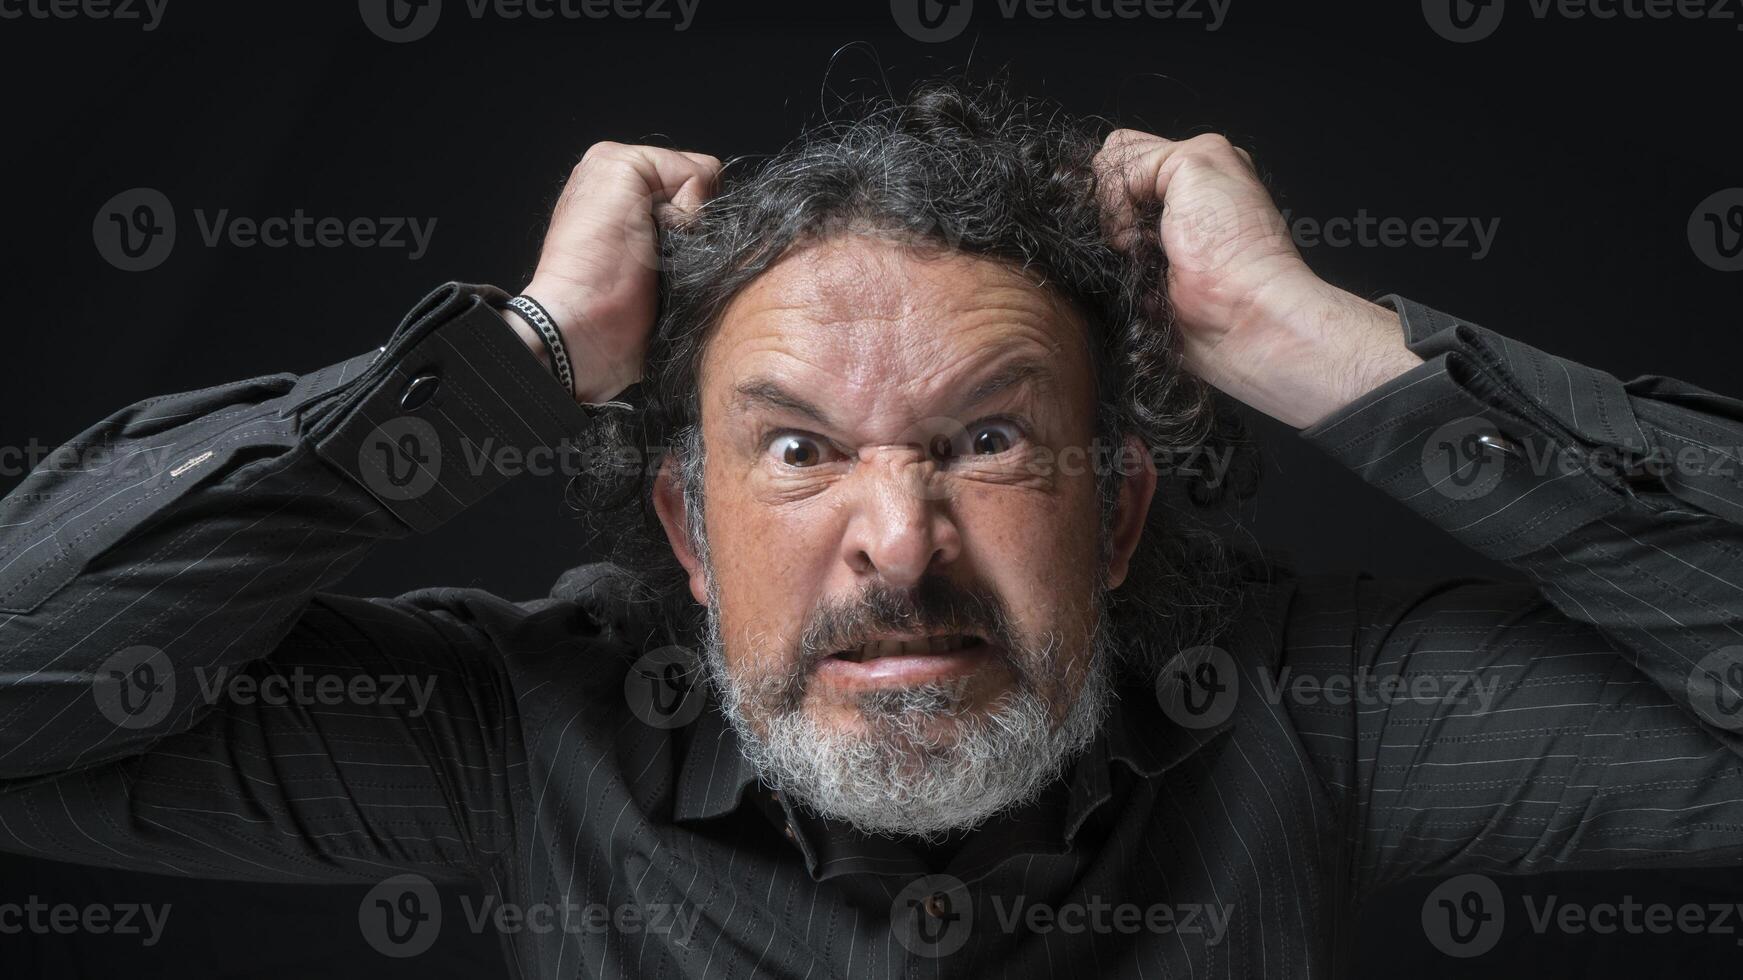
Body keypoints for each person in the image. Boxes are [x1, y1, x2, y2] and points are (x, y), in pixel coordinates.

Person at [3, 78, 1742, 977]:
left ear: (1119, 505)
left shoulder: (1320, 725)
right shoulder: (516, 736)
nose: (897, 546)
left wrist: (1340, 353)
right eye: (797, 453)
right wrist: (517, 356)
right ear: (685, 533)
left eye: (988, 440)